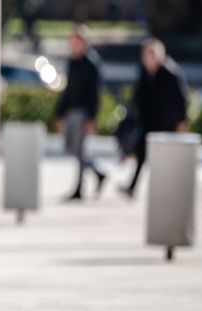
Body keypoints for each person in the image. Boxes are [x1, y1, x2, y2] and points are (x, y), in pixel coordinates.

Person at [122, 37, 188, 197]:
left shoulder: (170, 73)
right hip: (148, 121)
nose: (145, 60)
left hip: (165, 122)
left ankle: (166, 189)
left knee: (164, 159)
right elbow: (138, 96)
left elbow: (181, 99)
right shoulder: (145, 72)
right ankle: (132, 186)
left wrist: (181, 121)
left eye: (149, 56)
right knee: (141, 154)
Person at [54, 25, 106, 200]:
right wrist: (59, 113)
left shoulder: (91, 64)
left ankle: (79, 188)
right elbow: (68, 91)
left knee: (79, 150)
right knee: (71, 148)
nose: (73, 45)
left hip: (83, 112)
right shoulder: (72, 62)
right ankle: (98, 173)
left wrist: (91, 117)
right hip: (71, 111)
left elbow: (94, 94)